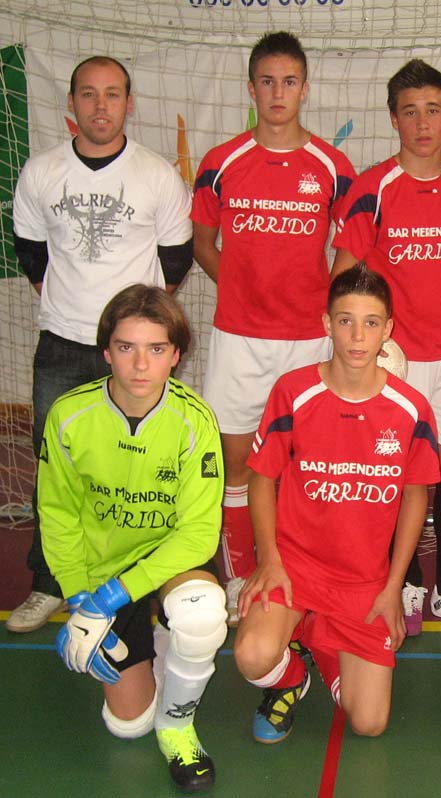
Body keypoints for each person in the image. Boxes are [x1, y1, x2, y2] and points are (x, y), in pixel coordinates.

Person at [9, 55, 193, 633]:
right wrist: (79, 310)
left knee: (148, 468)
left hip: (135, 348)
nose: (100, 106)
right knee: (55, 468)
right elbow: (31, 255)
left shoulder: (156, 175)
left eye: (112, 95)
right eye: (88, 95)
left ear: (129, 104)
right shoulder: (41, 174)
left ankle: (147, 580)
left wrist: (130, 332)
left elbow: (176, 260)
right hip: (63, 342)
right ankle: (48, 584)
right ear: (71, 103)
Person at [233, 265, 440, 741]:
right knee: (253, 655)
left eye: (371, 323)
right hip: (296, 568)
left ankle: (316, 637)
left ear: (388, 329)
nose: (357, 335)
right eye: (345, 320)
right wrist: (270, 559)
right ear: (327, 323)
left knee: (368, 722)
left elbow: (415, 497)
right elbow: (260, 478)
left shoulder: (410, 408)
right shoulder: (293, 391)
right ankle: (290, 677)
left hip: (363, 580)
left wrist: (392, 588)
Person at [332, 59, 441, 635]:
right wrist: (351, 351)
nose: (423, 123)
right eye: (410, 112)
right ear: (393, 119)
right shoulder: (371, 189)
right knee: (397, 472)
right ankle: (401, 585)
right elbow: (345, 275)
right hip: (390, 360)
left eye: (433, 111)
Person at [191, 31, 356, 625]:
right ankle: (240, 580)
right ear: (251, 87)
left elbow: (352, 244)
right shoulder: (221, 163)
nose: (278, 92)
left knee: (305, 463)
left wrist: (327, 303)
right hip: (238, 336)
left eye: (289, 82)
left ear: (304, 89)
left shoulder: (333, 167)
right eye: (267, 81)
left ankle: (301, 575)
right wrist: (235, 281)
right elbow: (202, 241)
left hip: (308, 341)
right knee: (237, 464)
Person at [38, 285, 226, 792]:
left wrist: (112, 598)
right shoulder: (69, 417)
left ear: (176, 355)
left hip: (167, 564)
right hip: (101, 575)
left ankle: (179, 724)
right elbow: (57, 516)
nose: (141, 365)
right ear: (106, 351)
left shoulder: (194, 420)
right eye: (126, 347)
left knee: (201, 613)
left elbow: (199, 534)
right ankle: (159, 651)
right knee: (127, 726)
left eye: (157, 349)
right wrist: (80, 598)